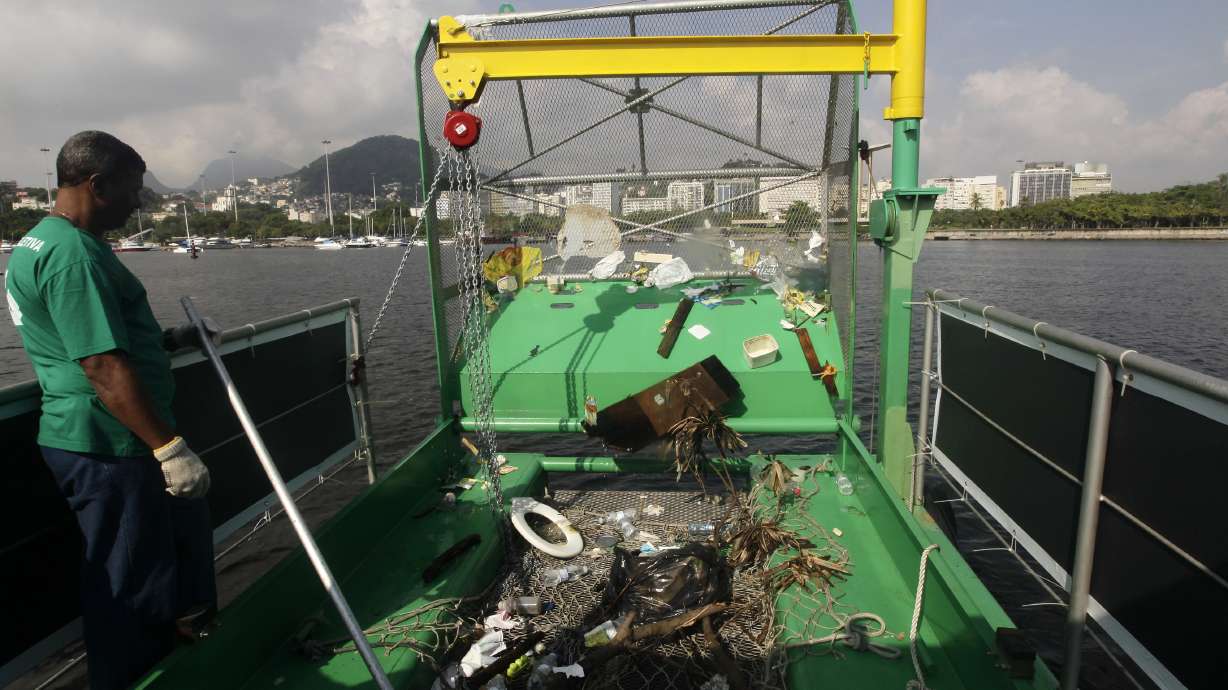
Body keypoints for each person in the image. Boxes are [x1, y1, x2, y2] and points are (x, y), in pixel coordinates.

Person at [4, 131, 216, 689]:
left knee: (142, 566)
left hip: (92, 437)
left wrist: (168, 340)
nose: (138, 202)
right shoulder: (74, 256)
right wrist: (169, 449)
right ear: (97, 185)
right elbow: (101, 366)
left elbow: (83, 339)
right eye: (132, 189)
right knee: (129, 587)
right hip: (108, 444)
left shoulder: (40, 242)